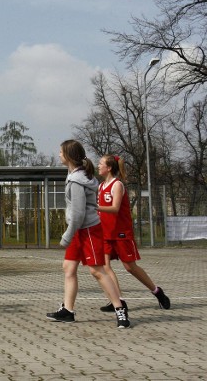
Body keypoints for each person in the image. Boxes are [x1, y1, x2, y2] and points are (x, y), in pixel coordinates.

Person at [46, 140, 130, 329]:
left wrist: (67, 235)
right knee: (68, 268)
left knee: (97, 270)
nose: (58, 155)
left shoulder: (77, 180)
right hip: (80, 230)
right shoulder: (77, 175)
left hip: (88, 230)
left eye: (61, 152)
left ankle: (120, 308)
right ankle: (68, 310)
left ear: (68, 156)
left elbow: (78, 214)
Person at [97, 154, 171, 311]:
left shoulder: (117, 185)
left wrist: (93, 207)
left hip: (121, 233)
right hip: (105, 233)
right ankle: (118, 301)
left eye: (100, 163)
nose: (98, 166)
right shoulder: (101, 186)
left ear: (109, 167)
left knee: (130, 267)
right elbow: (101, 212)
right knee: (104, 266)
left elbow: (115, 208)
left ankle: (157, 292)